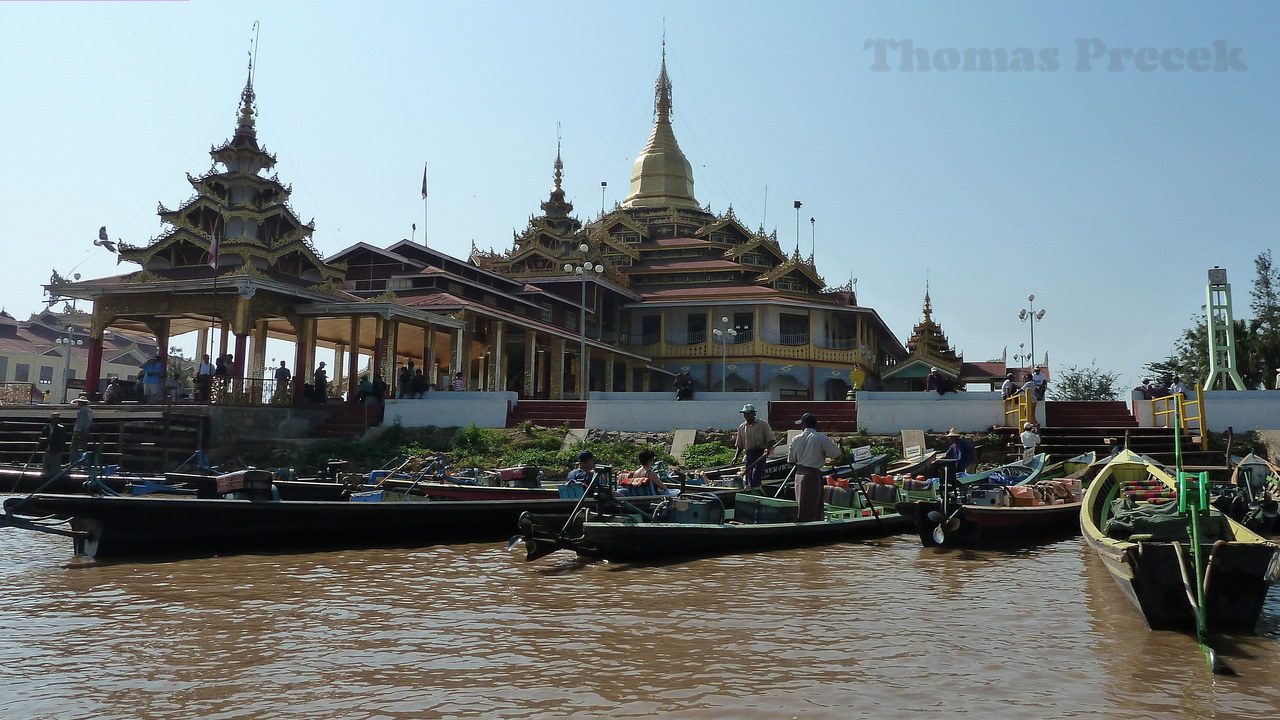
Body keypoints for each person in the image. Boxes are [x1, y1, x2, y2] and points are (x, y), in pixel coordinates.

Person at [788, 413, 841, 522]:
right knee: (812, 505)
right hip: (812, 475)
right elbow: (836, 455)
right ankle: (811, 525)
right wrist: (840, 445)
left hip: (799, 474)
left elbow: (791, 460)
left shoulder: (796, 439)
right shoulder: (821, 438)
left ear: (803, 425)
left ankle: (804, 524)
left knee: (801, 503)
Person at [731, 403, 776, 491]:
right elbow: (740, 445)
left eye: (748, 413)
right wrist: (735, 458)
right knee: (748, 472)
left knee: (757, 473)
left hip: (760, 452)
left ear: (754, 413)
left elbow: (771, 440)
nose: (746, 415)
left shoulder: (762, 424)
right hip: (749, 453)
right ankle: (749, 488)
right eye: (745, 413)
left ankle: (756, 488)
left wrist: (768, 448)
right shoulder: (742, 427)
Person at [39, 412, 68, 479]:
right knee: (46, 467)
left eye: (57, 419)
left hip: (56, 450)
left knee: (55, 468)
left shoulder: (61, 429)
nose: (56, 421)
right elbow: (43, 437)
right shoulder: (46, 428)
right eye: (55, 419)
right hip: (47, 450)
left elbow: (60, 439)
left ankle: (54, 480)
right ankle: (45, 479)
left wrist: (48, 440)